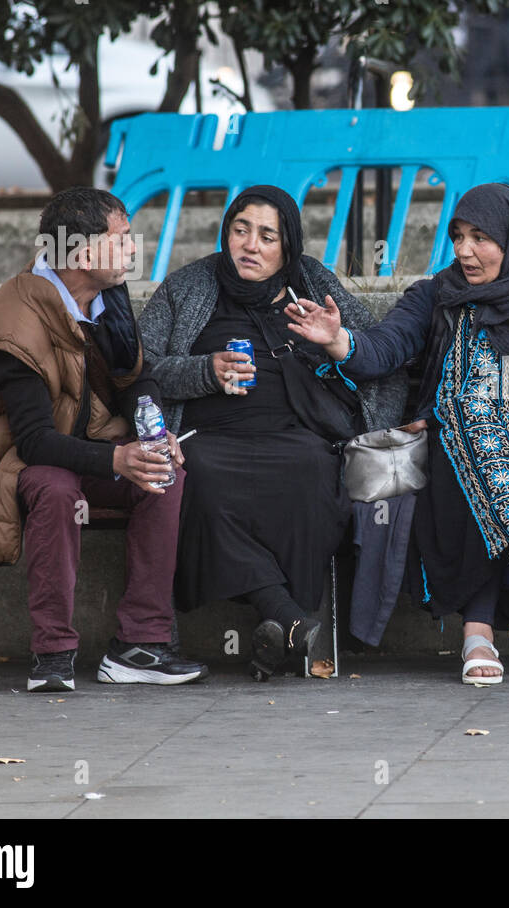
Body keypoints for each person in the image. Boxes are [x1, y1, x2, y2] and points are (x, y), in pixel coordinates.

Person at [284, 183, 509, 685]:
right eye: (458, 236)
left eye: (480, 238)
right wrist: (338, 339)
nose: (464, 251)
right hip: (453, 450)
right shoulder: (438, 295)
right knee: (459, 419)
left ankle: (477, 635)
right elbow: (385, 350)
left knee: (460, 411)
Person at [138, 185, 406, 681]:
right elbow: (143, 371)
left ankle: (280, 626)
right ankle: (290, 619)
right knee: (205, 481)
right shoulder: (188, 286)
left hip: (295, 434)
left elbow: (373, 354)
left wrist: (335, 343)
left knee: (311, 472)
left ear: (288, 245)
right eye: (241, 230)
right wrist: (204, 371)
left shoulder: (312, 282)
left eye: (266, 236)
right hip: (210, 439)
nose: (250, 245)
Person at [0, 187, 207, 693]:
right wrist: (116, 457)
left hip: (88, 442)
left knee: (162, 476)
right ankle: (52, 653)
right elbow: (36, 442)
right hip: (10, 459)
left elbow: (134, 376)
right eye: (124, 238)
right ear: (85, 254)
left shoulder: (108, 293)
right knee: (57, 489)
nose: (134, 249)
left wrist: (154, 436)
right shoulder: (15, 323)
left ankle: (139, 647)